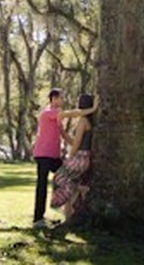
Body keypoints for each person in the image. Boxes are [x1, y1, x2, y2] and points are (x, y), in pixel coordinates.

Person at [32, 89, 96, 228]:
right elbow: (71, 114)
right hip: (43, 155)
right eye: (61, 98)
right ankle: (38, 219)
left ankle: (71, 205)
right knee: (42, 186)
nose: (63, 100)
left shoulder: (56, 116)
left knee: (64, 177)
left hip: (54, 156)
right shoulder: (49, 112)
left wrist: (77, 147)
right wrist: (92, 109)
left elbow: (64, 135)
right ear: (54, 98)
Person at [51, 92, 95, 221]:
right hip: (84, 157)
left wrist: (70, 156)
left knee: (58, 178)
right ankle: (68, 219)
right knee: (69, 189)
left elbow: (76, 144)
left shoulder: (83, 120)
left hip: (80, 158)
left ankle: (81, 188)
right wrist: (63, 133)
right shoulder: (88, 121)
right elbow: (76, 142)